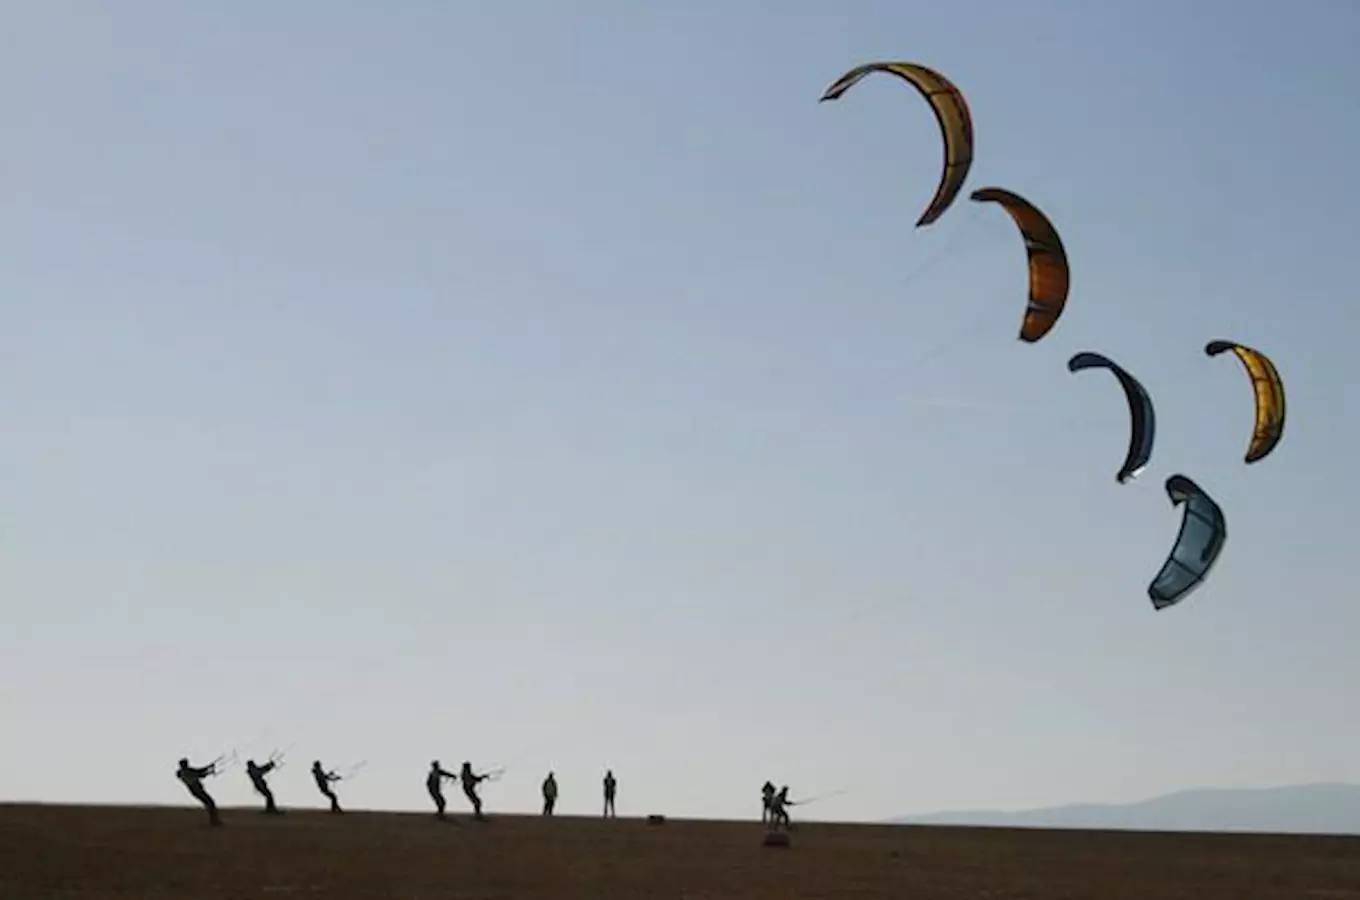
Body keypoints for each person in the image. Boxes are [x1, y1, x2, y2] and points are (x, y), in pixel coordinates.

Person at [176, 757, 222, 826]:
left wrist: (208, 768)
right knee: (210, 803)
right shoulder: (186, 772)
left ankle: (214, 820)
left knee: (209, 803)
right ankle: (214, 821)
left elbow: (199, 771)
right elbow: (200, 773)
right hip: (196, 790)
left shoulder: (183, 772)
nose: (187, 765)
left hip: (195, 790)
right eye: (186, 764)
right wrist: (209, 770)